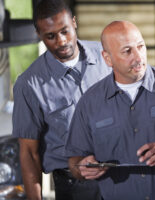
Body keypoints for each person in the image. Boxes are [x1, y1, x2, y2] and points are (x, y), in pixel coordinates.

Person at [64, 20, 155, 200]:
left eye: (141, 46)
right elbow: (74, 162)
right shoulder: (89, 102)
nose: (138, 57)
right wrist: (82, 168)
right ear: (107, 58)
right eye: (127, 51)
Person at [12, 0, 111, 199]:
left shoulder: (106, 56)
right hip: (75, 187)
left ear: (74, 22)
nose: (61, 41)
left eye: (65, 31)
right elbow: (29, 154)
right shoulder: (29, 85)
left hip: (123, 177)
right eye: (50, 36)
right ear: (39, 35)